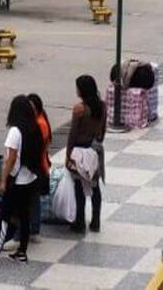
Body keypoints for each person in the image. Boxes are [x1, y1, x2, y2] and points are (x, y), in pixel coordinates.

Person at [0, 95, 42, 271]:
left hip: (16, 181)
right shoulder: (35, 129)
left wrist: (2, 180)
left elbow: (10, 159)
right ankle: (22, 252)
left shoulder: (15, 131)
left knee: (3, 218)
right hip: (30, 179)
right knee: (25, 216)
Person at [67, 75, 106, 233]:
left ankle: (80, 220)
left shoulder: (79, 109)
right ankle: (96, 221)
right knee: (95, 185)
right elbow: (102, 132)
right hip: (95, 149)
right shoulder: (102, 106)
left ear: (82, 90)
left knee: (79, 186)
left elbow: (72, 134)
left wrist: (68, 155)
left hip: (80, 150)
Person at [28, 93, 51, 239]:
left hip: (38, 166)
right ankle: (34, 228)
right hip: (39, 164)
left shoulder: (40, 124)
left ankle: (34, 229)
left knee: (33, 198)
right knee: (33, 197)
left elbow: (37, 147)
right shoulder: (39, 120)